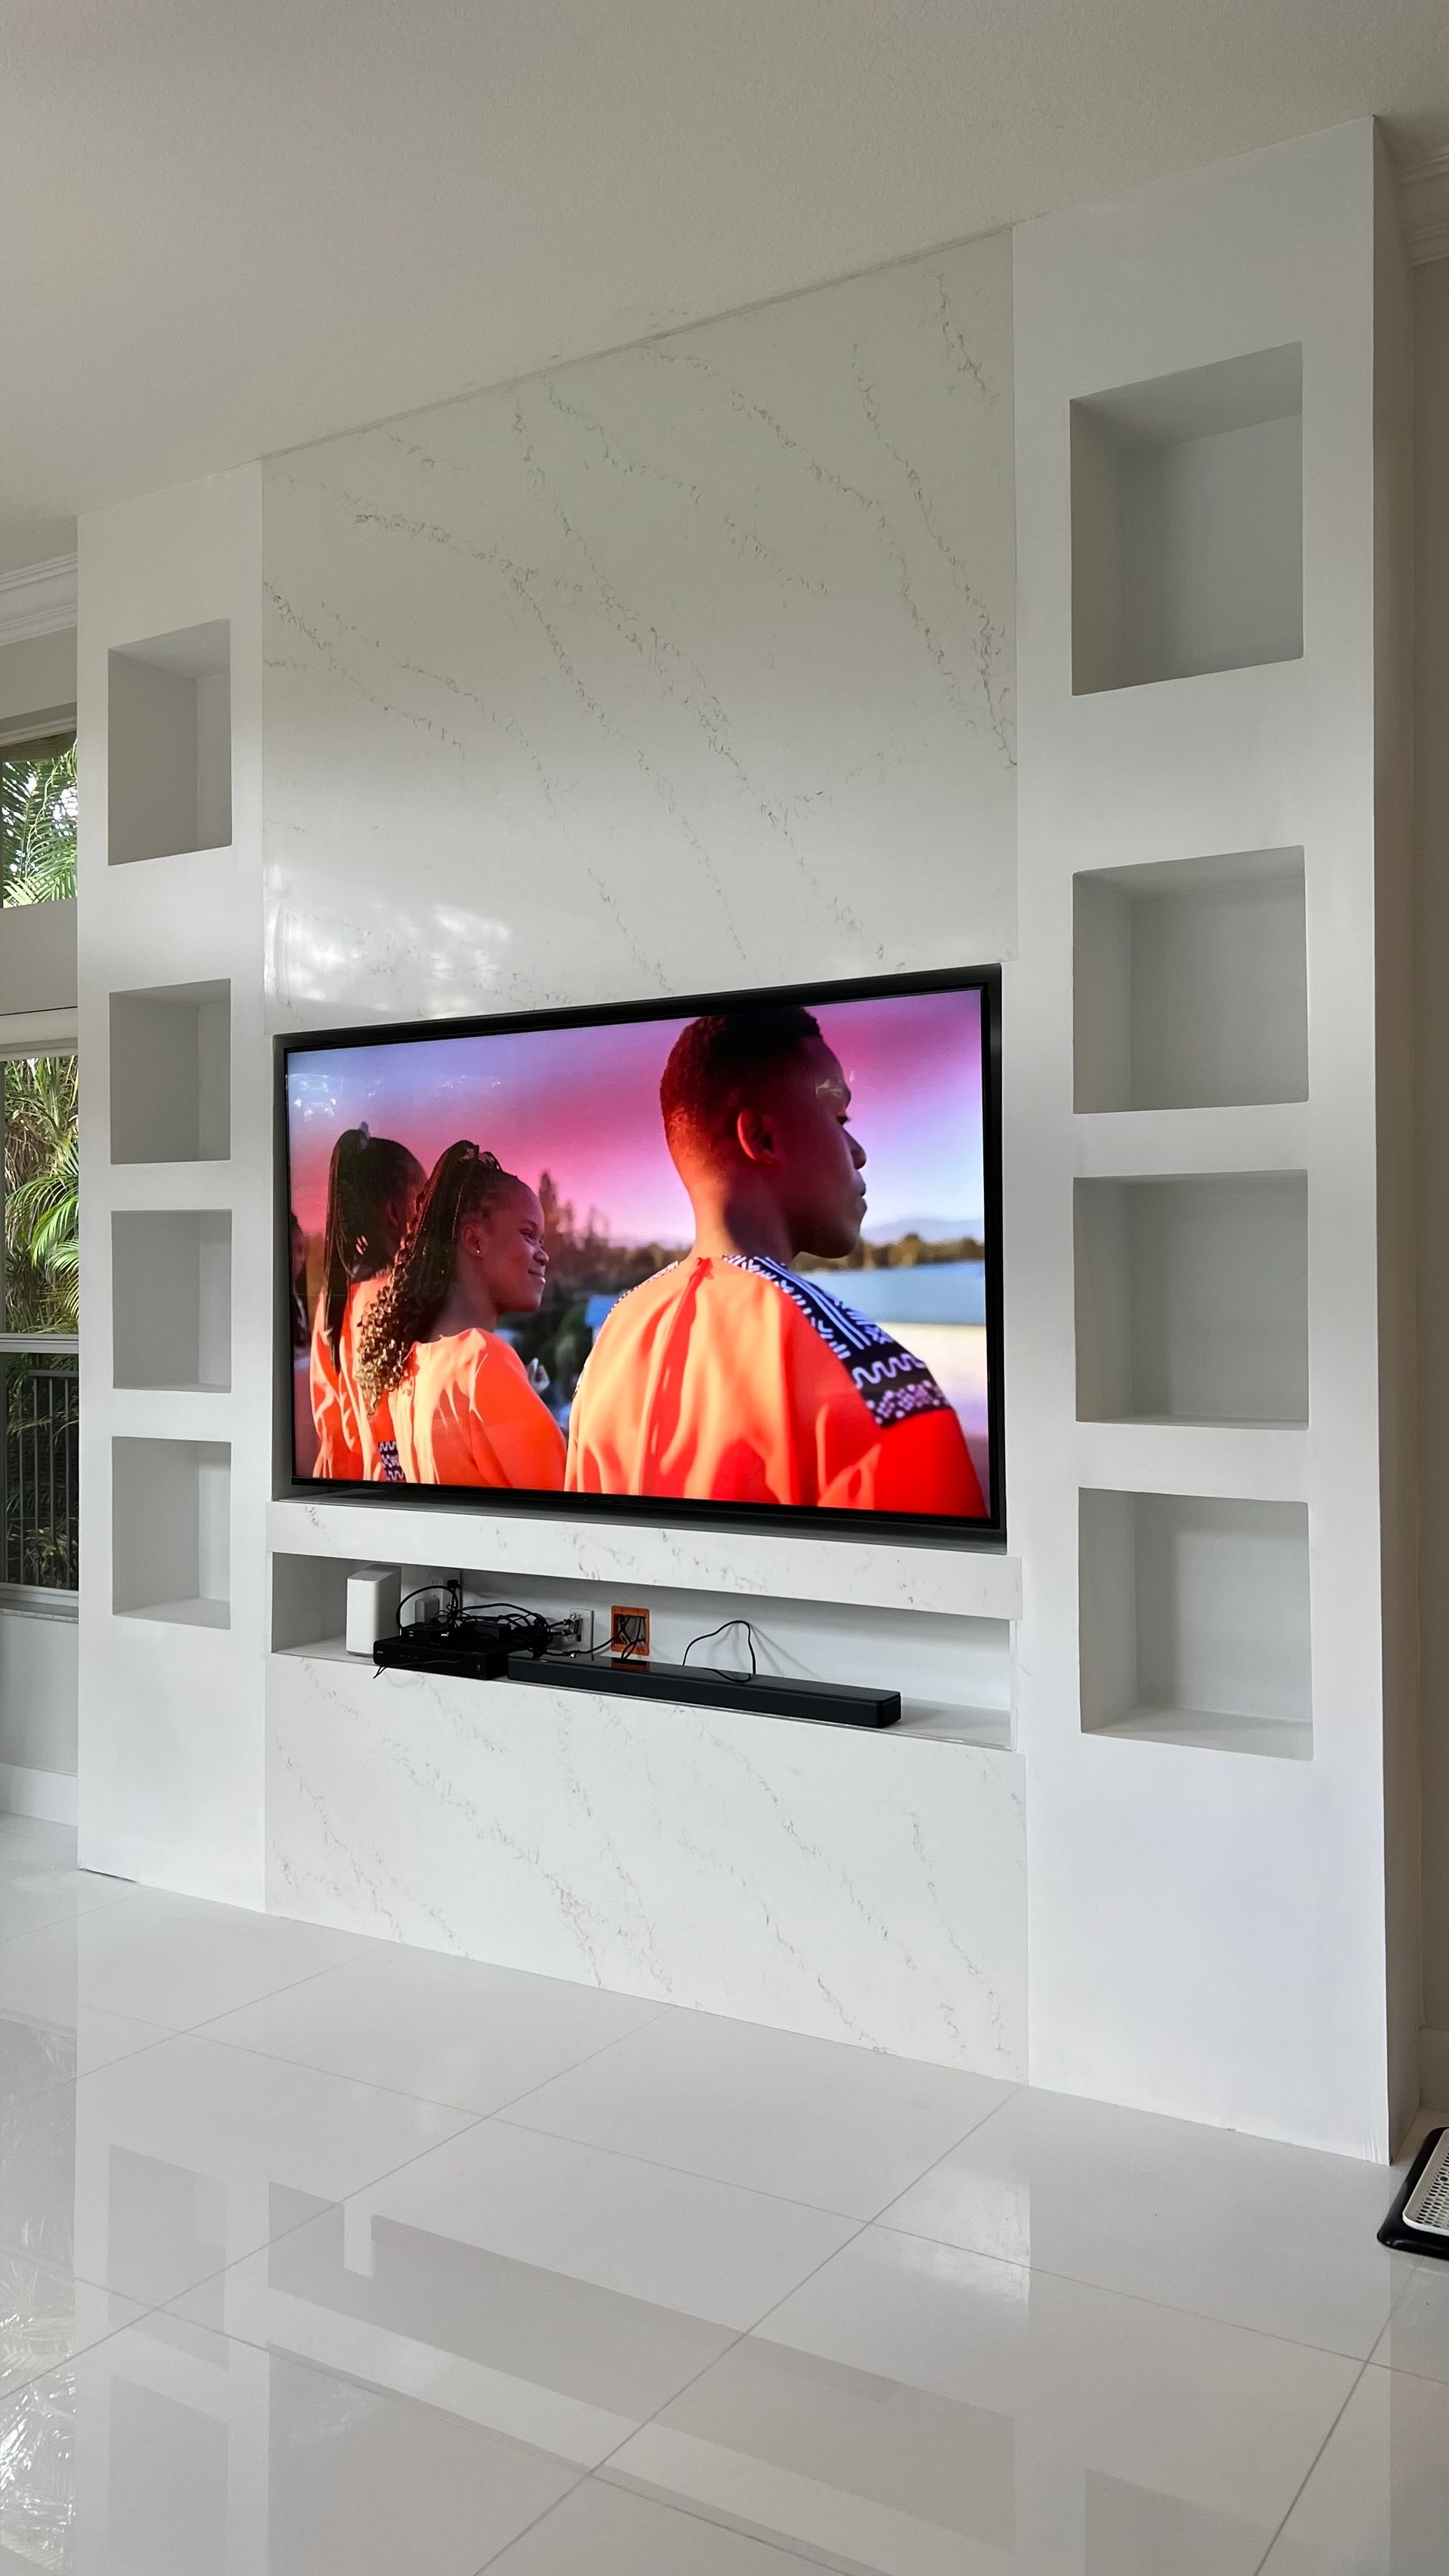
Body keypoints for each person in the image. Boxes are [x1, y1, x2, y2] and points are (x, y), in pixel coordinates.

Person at [566, 1007, 986, 1516]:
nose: (858, 1152)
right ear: (762, 1138)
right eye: (839, 1118)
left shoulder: (612, 1342)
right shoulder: (872, 1378)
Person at [355, 1140, 566, 1488]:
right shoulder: (482, 1359)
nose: (543, 1256)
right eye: (528, 1235)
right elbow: (569, 1498)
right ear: (474, 1239)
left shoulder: (413, 1364)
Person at [310, 1126, 424, 1480]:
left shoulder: (337, 1299)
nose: (431, 1215)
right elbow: (390, 1442)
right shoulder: (394, 1300)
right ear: (395, 1212)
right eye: (423, 1201)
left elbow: (347, 1428)